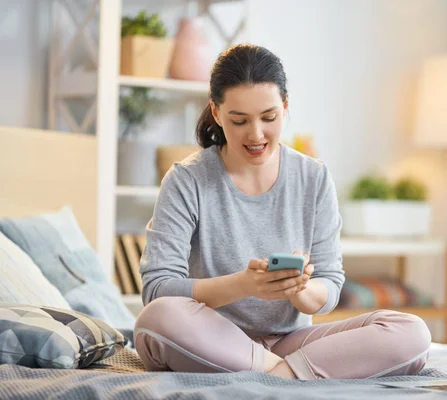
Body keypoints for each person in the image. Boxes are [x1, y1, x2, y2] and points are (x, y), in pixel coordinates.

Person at [134, 44, 431, 380]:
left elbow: (330, 284)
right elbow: (158, 288)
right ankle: (290, 374)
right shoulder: (187, 180)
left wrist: (299, 291)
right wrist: (245, 285)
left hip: (291, 342)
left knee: (411, 331)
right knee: (157, 318)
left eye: (269, 117)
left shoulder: (313, 177)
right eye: (239, 120)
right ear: (216, 112)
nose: (256, 134)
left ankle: (278, 373)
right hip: (211, 339)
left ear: (285, 106)